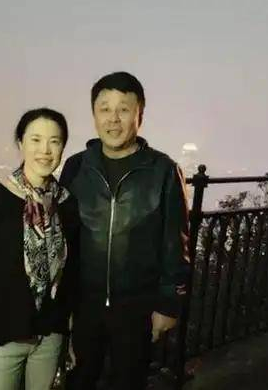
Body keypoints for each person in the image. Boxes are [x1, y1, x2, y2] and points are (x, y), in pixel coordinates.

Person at [60, 71, 191, 390]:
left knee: (129, 381)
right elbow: (64, 236)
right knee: (79, 380)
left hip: (137, 306)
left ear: (139, 115)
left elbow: (175, 243)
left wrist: (167, 304)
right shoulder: (77, 166)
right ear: (94, 114)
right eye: (104, 108)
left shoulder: (162, 170)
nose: (113, 119)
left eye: (123, 109)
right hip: (84, 303)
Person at [0, 108, 79, 390]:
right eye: (36, 140)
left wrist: (67, 334)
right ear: (21, 143)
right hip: (1, 336)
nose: (45, 150)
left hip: (50, 336)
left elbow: (70, 276)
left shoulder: (67, 204)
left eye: (54, 141)